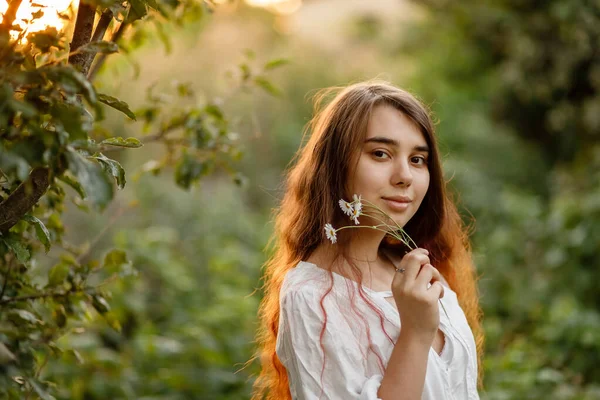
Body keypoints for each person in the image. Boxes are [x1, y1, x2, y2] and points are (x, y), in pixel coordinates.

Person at [251, 81, 484, 400]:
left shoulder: (416, 271)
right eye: (380, 153)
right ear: (335, 165)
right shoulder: (312, 296)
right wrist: (415, 334)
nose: (404, 176)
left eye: (418, 159)